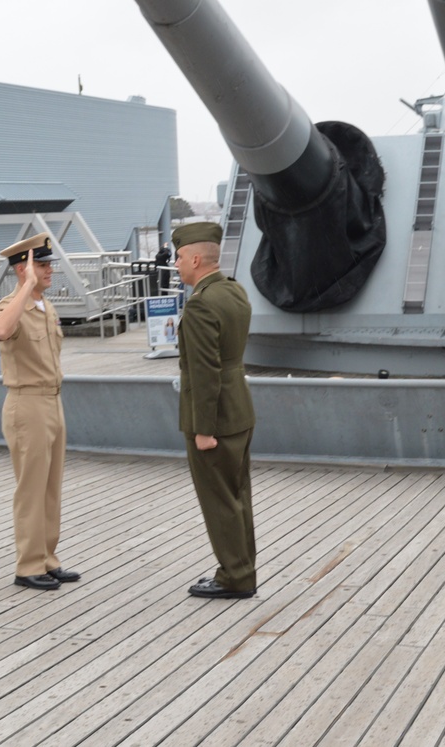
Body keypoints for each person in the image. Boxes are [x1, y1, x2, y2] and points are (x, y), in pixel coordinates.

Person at [0, 233, 80, 591]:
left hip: (53, 401)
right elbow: (1, 330)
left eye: (48, 265)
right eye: (41, 266)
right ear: (21, 269)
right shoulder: (11, 305)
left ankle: (47, 559)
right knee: (31, 489)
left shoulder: (46, 307)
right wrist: (25, 288)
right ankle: (27, 565)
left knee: (51, 488)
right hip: (26, 404)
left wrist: (34, 291)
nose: (48, 272)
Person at [173, 222, 257, 599]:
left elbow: (205, 374)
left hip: (215, 420)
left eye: (177, 257)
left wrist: (203, 429)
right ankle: (242, 569)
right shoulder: (234, 292)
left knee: (220, 501)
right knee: (238, 497)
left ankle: (234, 577)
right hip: (239, 410)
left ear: (194, 258)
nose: (175, 265)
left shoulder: (201, 304)